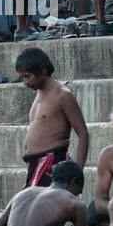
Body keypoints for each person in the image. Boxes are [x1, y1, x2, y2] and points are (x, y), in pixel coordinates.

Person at [17, 47, 89, 186]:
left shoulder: (63, 95)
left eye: (27, 76)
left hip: (52, 164)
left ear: (43, 70)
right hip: (34, 165)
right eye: (22, 77)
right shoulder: (39, 93)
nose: (25, 82)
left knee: (44, 206)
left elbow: (83, 134)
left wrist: (78, 174)